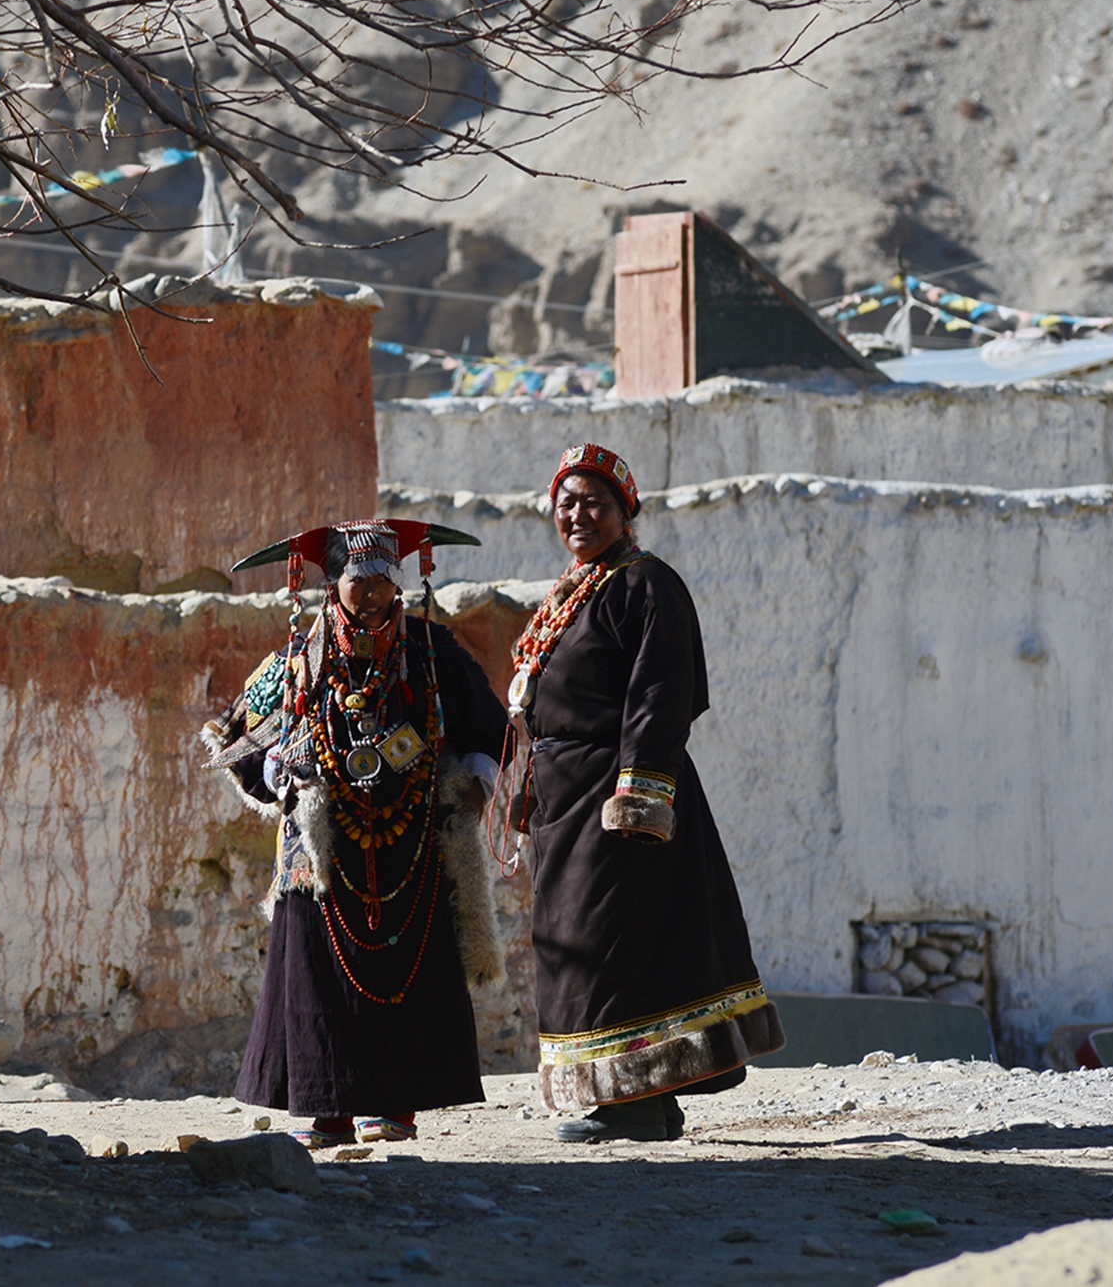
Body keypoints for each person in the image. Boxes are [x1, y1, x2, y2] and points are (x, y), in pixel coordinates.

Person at [504, 443, 783, 1143]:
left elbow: (661, 693)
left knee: (614, 947)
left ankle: (627, 1104)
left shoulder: (646, 584)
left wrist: (640, 793)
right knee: (589, 943)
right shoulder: (579, 588)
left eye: (595, 501)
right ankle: (652, 1101)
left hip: (615, 798)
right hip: (564, 804)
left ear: (626, 510)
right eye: (566, 503)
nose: (578, 514)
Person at [202, 518, 507, 1148]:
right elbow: (234, 739)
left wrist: (475, 779)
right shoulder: (298, 659)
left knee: (407, 972)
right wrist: (280, 774)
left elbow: (487, 724)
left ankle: (396, 1107)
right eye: (356, 578)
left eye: (381, 578)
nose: (370, 591)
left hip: (413, 843)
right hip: (322, 850)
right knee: (318, 976)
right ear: (329, 583)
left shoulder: (431, 649)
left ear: (397, 581)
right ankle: (326, 1111)